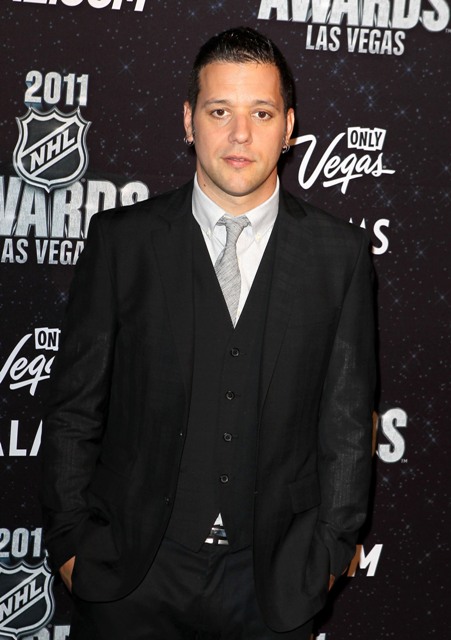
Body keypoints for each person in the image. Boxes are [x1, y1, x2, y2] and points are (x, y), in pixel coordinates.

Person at [40, 26, 376, 640]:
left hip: (273, 583)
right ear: (189, 121)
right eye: (220, 111)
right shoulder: (123, 243)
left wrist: (328, 555)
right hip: (130, 576)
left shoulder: (341, 255)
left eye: (261, 113)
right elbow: (73, 409)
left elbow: (348, 425)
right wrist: (70, 543)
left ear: (289, 127)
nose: (240, 134)